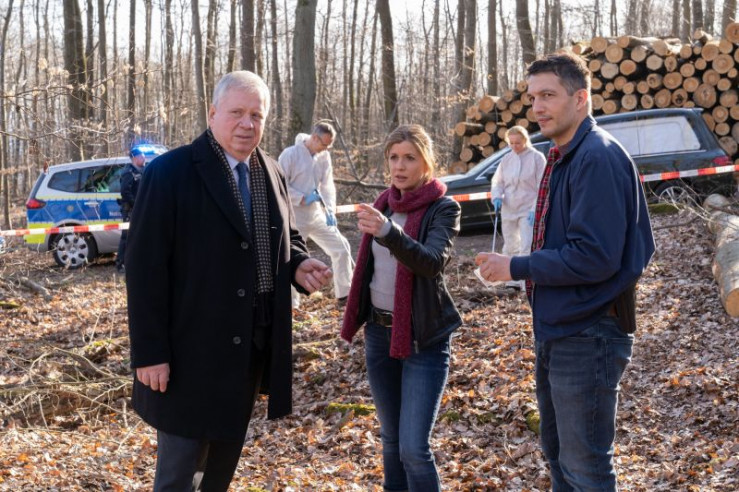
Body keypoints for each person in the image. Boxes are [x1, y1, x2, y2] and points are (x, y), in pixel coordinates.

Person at [125, 71, 333, 491]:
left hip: (249, 348)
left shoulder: (271, 170)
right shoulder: (170, 173)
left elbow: (284, 237)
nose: (246, 124)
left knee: (218, 472)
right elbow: (144, 269)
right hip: (188, 354)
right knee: (179, 475)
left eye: (256, 115)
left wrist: (297, 264)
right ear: (212, 113)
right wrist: (149, 353)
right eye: (236, 112)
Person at [475, 53, 655, 491]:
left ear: (580, 98)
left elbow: (595, 256)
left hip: (589, 333)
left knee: (584, 468)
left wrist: (515, 266)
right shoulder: (563, 156)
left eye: (548, 95)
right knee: (560, 459)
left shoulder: (597, 157)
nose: (537, 107)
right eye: (533, 97)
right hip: (561, 328)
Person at [341, 124, 462, 492]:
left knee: (413, 449)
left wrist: (389, 233)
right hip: (379, 335)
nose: (400, 165)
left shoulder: (443, 208)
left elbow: (431, 262)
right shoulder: (382, 204)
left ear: (426, 162)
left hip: (424, 338)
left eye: (409, 157)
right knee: (391, 442)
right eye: (393, 157)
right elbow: (369, 271)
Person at [278, 122, 354, 308]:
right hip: (294, 216)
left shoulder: (324, 157)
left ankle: (345, 294)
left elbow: (327, 185)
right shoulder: (290, 154)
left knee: (341, 247)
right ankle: (292, 305)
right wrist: (302, 198)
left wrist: (330, 209)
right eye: (324, 144)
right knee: (292, 257)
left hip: (317, 214)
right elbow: (279, 186)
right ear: (314, 137)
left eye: (329, 146)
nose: (325, 149)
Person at [489, 125, 546, 290]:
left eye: (518, 143)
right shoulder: (507, 159)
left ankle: (525, 281)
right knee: (510, 244)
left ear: (525, 140)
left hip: (528, 208)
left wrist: (535, 209)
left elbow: (542, 185)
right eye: (511, 143)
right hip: (509, 208)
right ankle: (511, 280)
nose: (514, 146)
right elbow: (498, 181)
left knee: (526, 244)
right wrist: (497, 196)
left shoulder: (537, 158)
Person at [115, 146, 147, 273]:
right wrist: (136, 204)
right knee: (126, 236)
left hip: (141, 208)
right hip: (131, 209)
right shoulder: (129, 172)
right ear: (134, 158)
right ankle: (121, 263)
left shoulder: (143, 171)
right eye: (141, 156)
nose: (144, 158)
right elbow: (125, 192)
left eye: (144, 156)